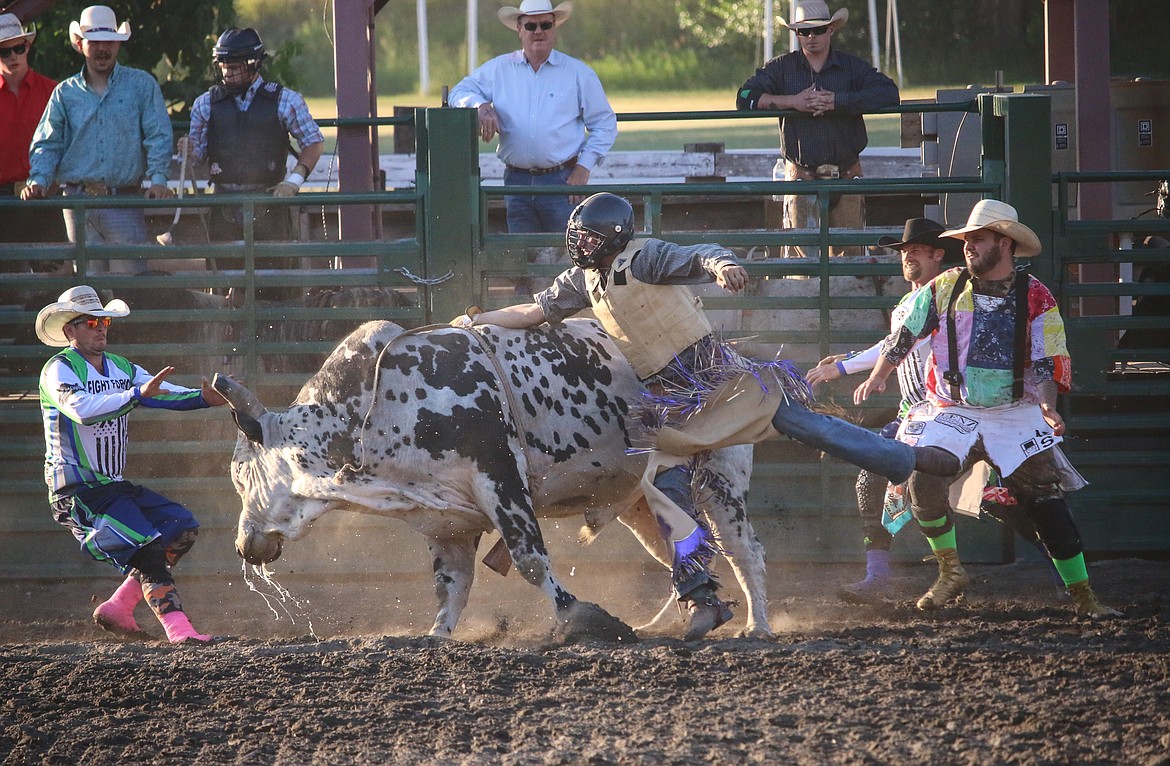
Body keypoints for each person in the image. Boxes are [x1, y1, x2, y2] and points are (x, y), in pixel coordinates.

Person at [450, 192, 959, 639]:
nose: (579, 244)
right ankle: (701, 596)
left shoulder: (643, 258)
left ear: (612, 237)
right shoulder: (584, 280)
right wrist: (478, 320)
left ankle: (903, 458)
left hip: (712, 375)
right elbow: (533, 311)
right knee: (667, 497)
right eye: (577, 236)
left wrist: (722, 266)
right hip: (663, 400)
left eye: (587, 236)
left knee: (802, 424)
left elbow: (698, 255)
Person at [854, 200, 1121, 619]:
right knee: (923, 479)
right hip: (952, 407)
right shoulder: (945, 286)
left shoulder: (1036, 296)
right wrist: (881, 373)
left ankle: (1084, 596)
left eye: (977, 239)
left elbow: (1048, 360)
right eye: (965, 241)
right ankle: (950, 571)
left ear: (1005, 243)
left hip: (1014, 410)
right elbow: (907, 331)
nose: (968, 247)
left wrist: (1048, 407)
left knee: (1045, 502)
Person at [807, 218, 1056, 604]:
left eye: (916, 251)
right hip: (930, 413)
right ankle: (889, 576)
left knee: (1003, 497)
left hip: (943, 413)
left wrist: (844, 367)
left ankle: (1059, 570)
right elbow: (893, 343)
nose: (907, 257)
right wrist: (854, 361)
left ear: (938, 255)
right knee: (882, 478)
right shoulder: (921, 299)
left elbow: (898, 344)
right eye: (904, 252)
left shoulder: (946, 297)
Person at [36, 285, 229, 643]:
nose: (100, 327)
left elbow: (163, 392)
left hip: (110, 487)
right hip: (76, 491)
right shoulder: (58, 370)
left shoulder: (121, 367)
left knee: (180, 527)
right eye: (91, 321)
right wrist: (136, 395)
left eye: (104, 320)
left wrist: (203, 398)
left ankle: (118, 608)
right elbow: (82, 410)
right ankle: (180, 633)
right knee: (148, 547)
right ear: (70, 331)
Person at [735, 0, 898, 258]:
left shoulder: (851, 66)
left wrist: (838, 102)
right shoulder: (781, 67)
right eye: (804, 31)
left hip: (846, 175)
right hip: (802, 177)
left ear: (831, 30)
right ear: (796, 33)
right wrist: (793, 102)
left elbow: (889, 93)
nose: (811, 37)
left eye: (818, 30)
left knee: (851, 263)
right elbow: (744, 97)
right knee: (803, 264)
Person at [22, 5, 173, 273]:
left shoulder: (141, 85)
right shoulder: (64, 93)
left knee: (129, 285)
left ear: (117, 45)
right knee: (88, 287)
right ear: (81, 45)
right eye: (95, 42)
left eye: (109, 42)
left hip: (123, 199)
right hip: (77, 201)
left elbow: (158, 135)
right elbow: (48, 143)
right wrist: (39, 180)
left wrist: (159, 179)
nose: (103, 48)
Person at [447, 0, 617, 235]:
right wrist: (481, 105)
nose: (538, 31)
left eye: (545, 24)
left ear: (554, 27)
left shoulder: (578, 73)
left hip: (563, 180)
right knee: (521, 255)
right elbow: (458, 92)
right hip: (516, 181)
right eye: (530, 26)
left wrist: (583, 168)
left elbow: (605, 123)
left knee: (564, 255)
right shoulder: (499, 69)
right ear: (519, 29)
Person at [183, 27, 324, 244]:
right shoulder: (205, 103)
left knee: (273, 271)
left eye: (234, 67)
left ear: (253, 64)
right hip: (223, 204)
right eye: (223, 67)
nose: (227, 73)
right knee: (224, 271)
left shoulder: (285, 100)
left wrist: (293, 181)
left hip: (269, 200)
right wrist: (188, 149)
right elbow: (197, 156)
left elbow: (313, 142)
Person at [0, 13, 66, 256]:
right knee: (6, 285)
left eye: (18, 48)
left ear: (27, 46)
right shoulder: (55, 91)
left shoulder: (54, 92)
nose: (13, 56)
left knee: (55, 278)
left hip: (46, 196)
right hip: (2, 201)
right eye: (4, 51)